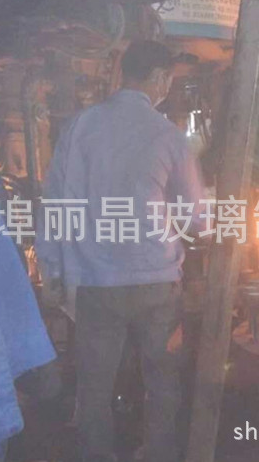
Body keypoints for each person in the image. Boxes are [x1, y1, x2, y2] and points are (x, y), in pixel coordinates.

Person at [35, 40, 206, 462]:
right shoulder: (168, 135)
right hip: (157, 284)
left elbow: (55, 202)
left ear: (123, 73)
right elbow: (196, 218)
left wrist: (51, 268)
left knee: (94, 387)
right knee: (162, 380)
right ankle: (158, 453)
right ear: (159, 78)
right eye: (168, 80)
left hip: (97, 284)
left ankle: (97, 455)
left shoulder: (81, 127)